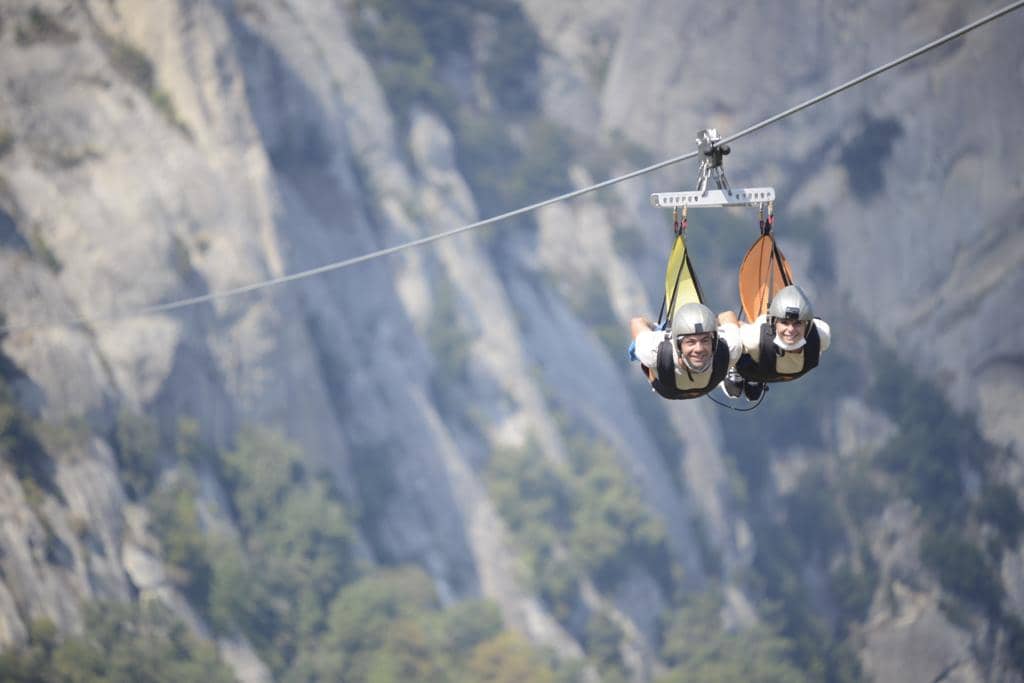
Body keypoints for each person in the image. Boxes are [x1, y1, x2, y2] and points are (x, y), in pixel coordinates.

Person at [723, 284, 832, 401]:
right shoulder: (754, 339)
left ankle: (751, 373)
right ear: (774, 323)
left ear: (807, 325)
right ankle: (737, 366)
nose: (791, 329)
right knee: (734, 343)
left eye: (797, 323)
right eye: (785, 322)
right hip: (757, 365)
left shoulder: (821, 336)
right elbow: (727, 317)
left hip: (768, 368)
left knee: (739, 346)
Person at [630, 302, 742, 400]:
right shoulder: (653, 350)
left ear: (714, 342)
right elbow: (728, 316)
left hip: (699, 385)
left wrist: (710, 324)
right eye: (691, 342)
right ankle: (738, 369)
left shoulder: (730, 348)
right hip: (669, 389)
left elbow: (638, 322)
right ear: (678, 345)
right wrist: (655, 329)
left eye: (705, 340)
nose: (699, 349)